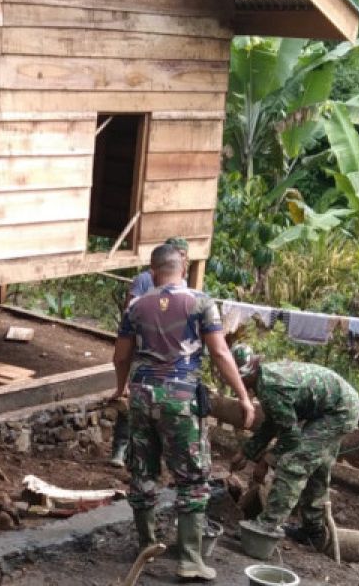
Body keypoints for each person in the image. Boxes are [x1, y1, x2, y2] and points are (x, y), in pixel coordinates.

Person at [112, 244, 256, 581]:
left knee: (143, 472)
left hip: (143, 396)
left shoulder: (136, 306)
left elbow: (120, 357)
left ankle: (147, 545)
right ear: (185, 266)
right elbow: (220, 353)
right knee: (192, 478)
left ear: (152, 269)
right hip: (181, 398)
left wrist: (121, 389)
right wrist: (243, 397)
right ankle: (190, 559)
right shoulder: (201, 303)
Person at [228, 345, 359, 548]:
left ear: (248, 374)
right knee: (317, 467)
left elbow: (291, 437)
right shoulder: (264, 380)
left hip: (338, 411)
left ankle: (266, 526)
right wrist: (246, 452)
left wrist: (266, 460)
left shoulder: (271, 387)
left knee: (294, 465)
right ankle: (313, 531)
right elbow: (274, 423)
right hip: (333, 407)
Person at [108, 236, 192, 468]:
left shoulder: (185, 285)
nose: (184, 261)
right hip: (143, 352)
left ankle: (150, 458)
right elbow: (132, 311)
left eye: (185, 256)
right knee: (133, 407)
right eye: (181, 255)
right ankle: (121, 448)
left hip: (171, 362)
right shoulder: (145, 279)